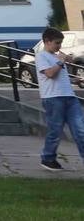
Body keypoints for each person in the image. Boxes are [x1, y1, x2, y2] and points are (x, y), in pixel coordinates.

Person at [37, 27, 84, 171]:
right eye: (57, 43)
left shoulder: (56, 57)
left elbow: (59, 78)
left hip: (69, 97)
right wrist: (60, 62)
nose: (59, 46)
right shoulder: (41, 56)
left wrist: (73, 80)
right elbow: (50, 74)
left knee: (80, 129)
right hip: (53, 99)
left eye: (60, 43)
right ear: (47, 41)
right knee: (55, 131)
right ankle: (48, 158)